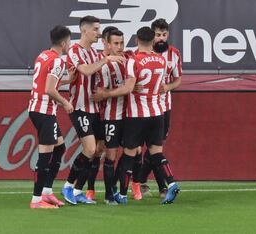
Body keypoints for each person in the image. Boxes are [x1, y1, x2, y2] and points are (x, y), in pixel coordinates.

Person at [93, 26, 179, 204]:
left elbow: (128, 88)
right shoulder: (162, 61)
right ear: (153, 40)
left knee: (129, 154)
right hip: (158, 113)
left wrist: (105, 94)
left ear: (136, 40)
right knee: (156, 153)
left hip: (137, 115)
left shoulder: (134, 60)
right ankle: (171, 183)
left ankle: (122, 194)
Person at [61, 15, 125, 205]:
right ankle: (68, 186)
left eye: (99, 29)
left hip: (95, 108)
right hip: (79, 107)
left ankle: (79, 190)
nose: (98, 33)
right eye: (96, 29)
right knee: (89, 148)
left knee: (99, 149)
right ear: (84, 31)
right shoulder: (74, 50)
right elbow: (86, 71)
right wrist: (107, 59)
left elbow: (100, 76)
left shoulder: (96, 54)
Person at [28, 25, 74, 209]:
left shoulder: (43, 55)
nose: (69, 44)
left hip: (37, 109)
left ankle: (46, 192)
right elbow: (49, 89)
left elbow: (44, 81)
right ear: (63, 43)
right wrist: (65, 102)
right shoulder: (58, 61)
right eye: (69, 41)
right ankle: (36, 199)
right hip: (44, 111)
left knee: (60, 148)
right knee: (45, 157)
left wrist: (67, 80)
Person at [136, 18, 183, 198]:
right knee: (143, 148)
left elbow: (178, 79)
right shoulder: (139, 54)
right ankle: (160, 185)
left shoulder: (174, 54)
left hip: (163, 107)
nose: (161, 38)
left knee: (156, 147)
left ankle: (143, 180)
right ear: (152, 35)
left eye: (164, 34)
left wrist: (168, 87)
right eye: (157, 35)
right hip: (141, 107)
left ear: (168, 34)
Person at [84, 25, 119, 201]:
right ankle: (89, 189)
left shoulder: (124, 58)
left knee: (127, 150)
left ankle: (123, 189)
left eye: (120, 42)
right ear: (105, 42)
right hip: (100, 112)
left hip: (118, 112)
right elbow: (94, 88)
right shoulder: (98, 59)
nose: (118, 46)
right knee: (97, 150)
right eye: (114, 42)